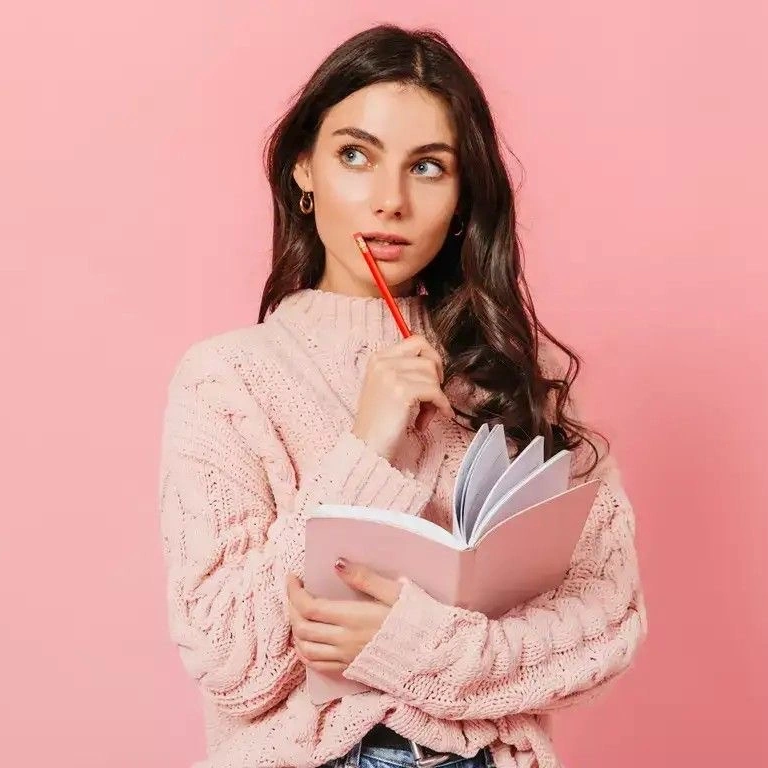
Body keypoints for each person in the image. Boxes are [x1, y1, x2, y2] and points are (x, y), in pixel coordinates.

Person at [157, 24, 647, 768]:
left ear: (462, 196)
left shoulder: (514, 373)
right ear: (303, 169)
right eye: (355, 155)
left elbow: (607, 622)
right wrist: (366, 451)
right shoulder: (227, 380)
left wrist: (420, 650)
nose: (388, 200)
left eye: (427, 168)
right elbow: (230, 660)